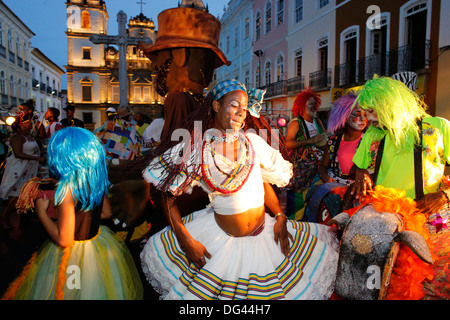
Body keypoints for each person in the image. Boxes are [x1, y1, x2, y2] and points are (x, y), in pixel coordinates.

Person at [139, 80, 338, 300]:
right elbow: (167, 194)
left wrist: (280, 215)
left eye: (244, 109)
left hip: (266, 239)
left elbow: (262, 183)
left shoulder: (252, 142)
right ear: (216, 106)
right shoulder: (196, 149)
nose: (240, 113)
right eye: (234, 105)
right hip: (220, 246)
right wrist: (184, 238)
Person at [2, 127, 143, 300]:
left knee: (70, 291)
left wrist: (42, 213)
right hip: (96, 245)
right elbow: (106, 213)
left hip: (71, 258)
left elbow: (64, 239)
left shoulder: (66, 190)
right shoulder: (96, 182)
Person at [348, 75, 450, 300]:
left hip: (432, 221)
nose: (368, 119)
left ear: (390, 105)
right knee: (386, 283)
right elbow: (357, 167)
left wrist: (445, 194)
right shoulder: (373, 134)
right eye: (365, 112)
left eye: (372, 111)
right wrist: (361, 172)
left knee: (433, 285)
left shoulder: (438, 128)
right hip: (386, 222)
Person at [284, 89, 328, 221]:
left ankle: (310, 222)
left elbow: (323, 139)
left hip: (318, 168)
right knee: (298, 201)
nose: (314, 106)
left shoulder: (318, 121)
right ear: (302, 105)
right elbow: (288, 143)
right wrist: (311, 141)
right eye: (310, 103)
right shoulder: (296, 123)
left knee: (315, 197)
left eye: (315, 103)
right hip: (302, 170)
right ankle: (294, 224)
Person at [0, 117, 45, 235]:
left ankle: (16, 227)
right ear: (20, 125)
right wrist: (37, 158)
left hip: (29, 169)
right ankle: (4, 216)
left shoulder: (30, 137)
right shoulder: (17, 137)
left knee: (24, 195)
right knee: (18, 195)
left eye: (30, 123)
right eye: (27, 123)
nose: (30, 125)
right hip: (19, 169)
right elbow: (18, 153)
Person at [318, 93, 368, 186]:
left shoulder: (371, 141)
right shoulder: (333, 141)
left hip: (358, 190)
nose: (362, 119)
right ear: (345, 117)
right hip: (335, 188)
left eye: (365, 115)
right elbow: (323, 167)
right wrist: (326, 178)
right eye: (357, 114)